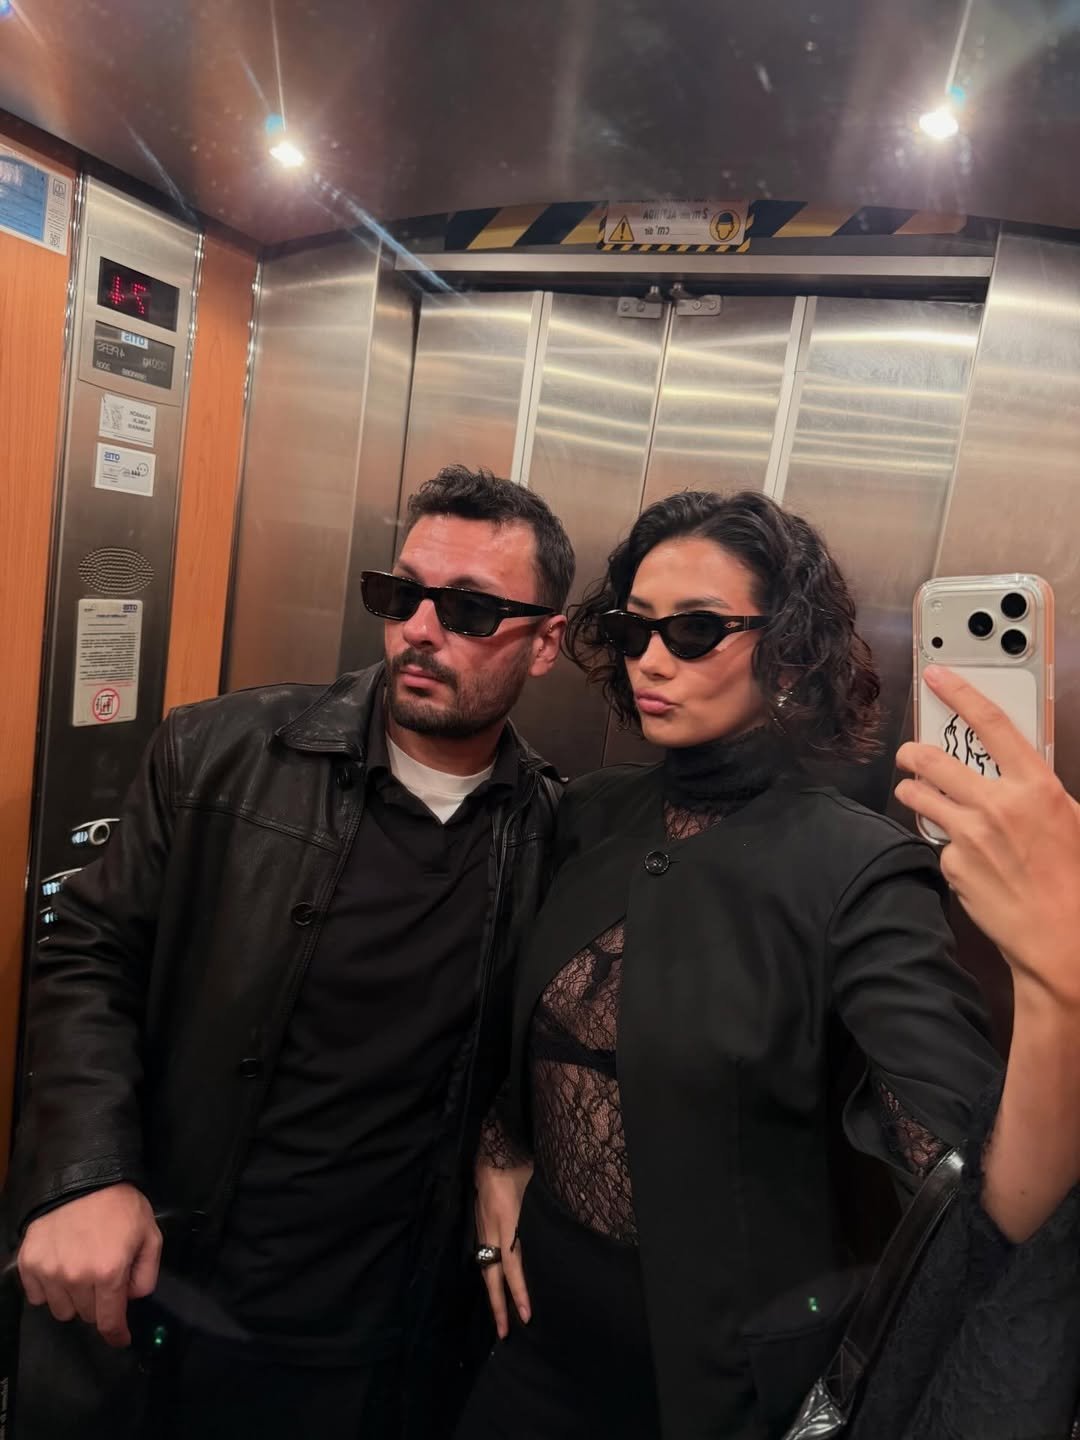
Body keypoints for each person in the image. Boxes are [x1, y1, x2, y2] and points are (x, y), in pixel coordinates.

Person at [458, 490, 1080, 1440]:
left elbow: (978, 1195)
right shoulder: (588, 812)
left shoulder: (856, 870)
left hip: (723, 1385)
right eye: (633, 628)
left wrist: (1059, 985)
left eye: (695, 630)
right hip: (538, 1340)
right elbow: (523, 1018)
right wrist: (500, 1149)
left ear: (788, 655)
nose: (651, 659)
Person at [6, 466, 575, 1440]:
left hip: (389, 1345)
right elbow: (90, 958)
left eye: (471, 609)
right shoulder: (217, 756)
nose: (419, 630)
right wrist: (85, 1171)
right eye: (400, 594)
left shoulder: (554, 834)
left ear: (547, 642)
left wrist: (505, 1143)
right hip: (168, 1301)